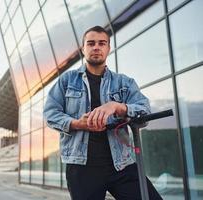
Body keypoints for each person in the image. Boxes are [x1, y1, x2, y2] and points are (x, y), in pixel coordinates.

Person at [43, 26, 162, 200]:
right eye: (91, 43)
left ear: (108, 48)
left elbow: (144, 112)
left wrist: (117, 106)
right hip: (81, 167)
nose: (96, 47)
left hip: (122, 164)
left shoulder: (124, 82)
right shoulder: (66, 81)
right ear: (83, 49)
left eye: (102, 43)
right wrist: (77, 123)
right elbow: (50, 114)